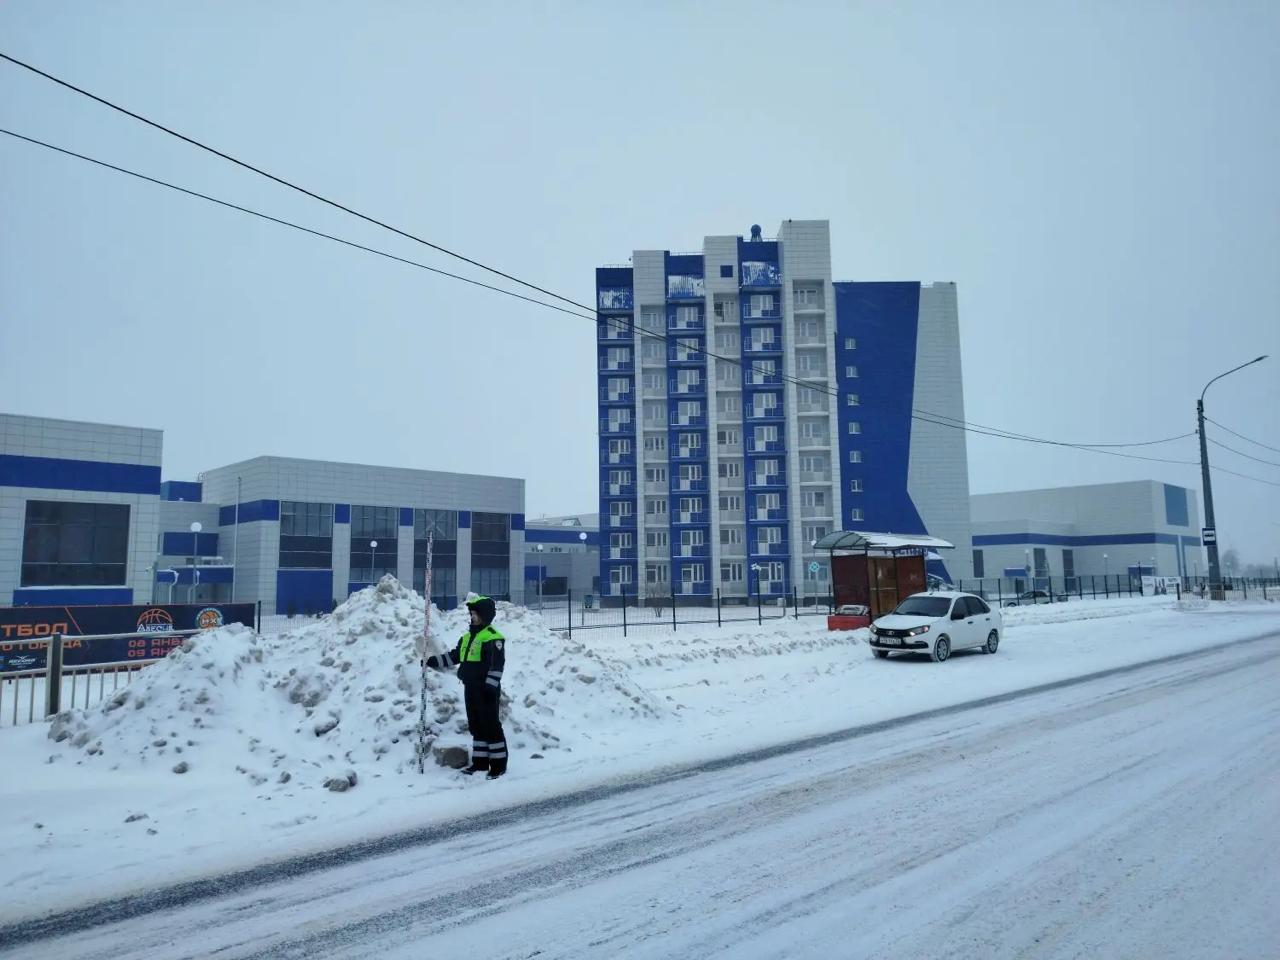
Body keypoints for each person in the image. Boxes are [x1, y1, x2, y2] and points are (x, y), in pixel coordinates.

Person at [423, 594, 508, 779]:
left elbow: (497, 666)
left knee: (491, 726)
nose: (472, 617)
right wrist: (432, 661)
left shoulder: (494, 638)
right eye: (471, 614)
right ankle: (480, 763)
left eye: (475, 614)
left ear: (485, 615)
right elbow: (454, 657)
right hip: (471, 688)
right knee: (476, 726)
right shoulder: (467, 637)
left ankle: (498, 765)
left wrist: (490, 687)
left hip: (487, 690)